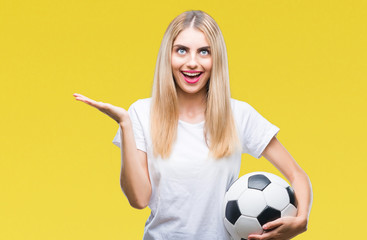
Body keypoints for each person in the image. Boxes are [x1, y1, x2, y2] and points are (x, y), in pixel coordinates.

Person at [73, 10, 312, 240]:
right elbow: (139, 199)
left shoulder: (239, 115)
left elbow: (298, 176)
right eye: (182, 50)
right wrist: (125, 124)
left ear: (215, 57)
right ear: (169, 55)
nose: (192, 62)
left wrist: (301, 219)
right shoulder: (141, 112)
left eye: (204, 52)